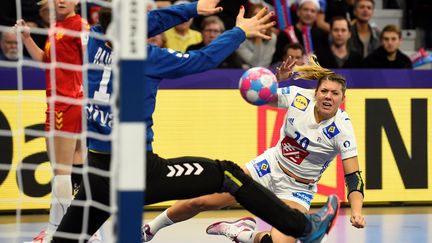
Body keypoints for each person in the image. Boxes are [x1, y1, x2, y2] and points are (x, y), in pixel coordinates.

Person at [50, 1, 340, 243]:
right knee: (228, 174)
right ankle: (303, 228)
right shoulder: (144, 57)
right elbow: (201, 59)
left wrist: (192, 9)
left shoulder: (95, 39)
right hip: (136, 171)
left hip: (97, 171)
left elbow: (148, 21)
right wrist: (239, 32)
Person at [142, 55, 366, 243]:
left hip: (298, 189)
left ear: (343, 98)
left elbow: (353, 177)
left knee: (282, 240)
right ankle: (150, 230)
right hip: (268, 167)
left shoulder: (343, 131)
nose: (328, 96)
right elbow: (260, 98)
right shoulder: (299, 98)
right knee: (200, 200)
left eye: (335, 93)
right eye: (324, 91)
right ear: (315, 93)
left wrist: (356, 212)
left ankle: (240, 233)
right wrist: (275, 80)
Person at [14, 0, 92, 241]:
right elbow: (47, 63)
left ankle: (54, 231)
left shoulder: (79, 26)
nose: (60, 0)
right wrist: (27, 38)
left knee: (60, 169)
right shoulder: (57, 26)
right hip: (63, 102)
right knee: (77, 165)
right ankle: (89, 231)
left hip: (68, 103)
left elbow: (93, 63)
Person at [235, 3, 277, 68]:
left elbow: (265, 65)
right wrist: (258, 37)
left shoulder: (272, 37)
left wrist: (258, 36)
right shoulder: (241, 37)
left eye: (262, 15)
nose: (259, 18)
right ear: (250, 18)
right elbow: (256, 64)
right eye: (255, 14)